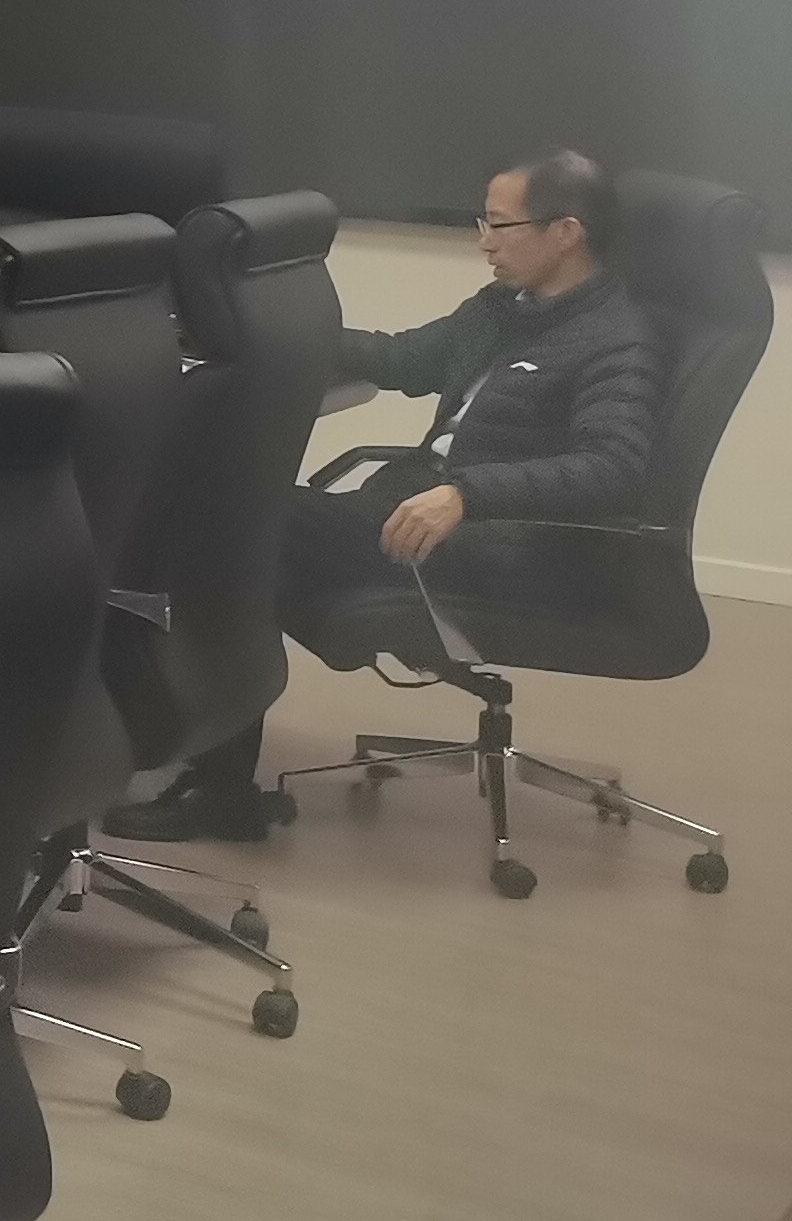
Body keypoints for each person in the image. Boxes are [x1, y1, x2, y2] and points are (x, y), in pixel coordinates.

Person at [108, 146, 663, 845]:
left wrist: (465, 494)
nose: (484, 242)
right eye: (482, 223)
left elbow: (613, 466)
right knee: (239, 539)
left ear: (566, 233)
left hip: (495, 545)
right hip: (420, 511)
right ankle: (204, 766)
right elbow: (404, 358)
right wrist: (261, 333)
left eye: (499, 225)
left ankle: (211, 782)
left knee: (236, 527)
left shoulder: (613, 339)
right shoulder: (507, 309)